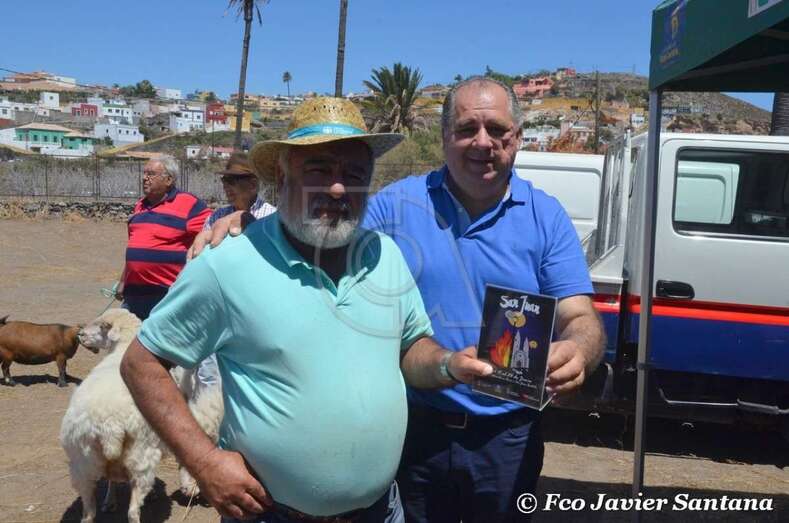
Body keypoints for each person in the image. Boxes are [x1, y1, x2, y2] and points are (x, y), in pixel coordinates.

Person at [195, 78, 606, 522]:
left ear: (518, 137)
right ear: (445, 137)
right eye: (467, 129)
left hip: (508, 437)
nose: (483, 142)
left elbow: (579, 316)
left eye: (497, 129)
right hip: (415, 431)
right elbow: (320, 225)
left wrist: (579, 351)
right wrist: (253, 226)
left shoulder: (547, 217)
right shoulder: (396, 205)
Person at [119, 97, 494, 523]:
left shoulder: (384, 254)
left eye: (354, 175)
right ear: (282, 176)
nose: (338, 188)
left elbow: (409, 348)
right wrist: (204, 462)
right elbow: (141, 363)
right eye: (319, 170)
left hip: (381, 511)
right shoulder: (228, 264)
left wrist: (448, 365)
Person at [197, 152, 276, 388]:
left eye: (234, 181)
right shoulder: (216, 216)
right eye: (225, 180)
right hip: (218, 307)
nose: (227, 187)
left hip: (255, 310)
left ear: (253, 184)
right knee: (209, 376)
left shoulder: (272, 218)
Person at [116, 155, 211, 320]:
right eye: (144, 173)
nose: (144, 178)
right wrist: (123, 280)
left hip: (167, 295)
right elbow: (135, 249)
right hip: (134, 295)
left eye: (151, 174)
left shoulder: (189, 204)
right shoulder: (140, 206)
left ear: (169, 180)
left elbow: (212, 229)